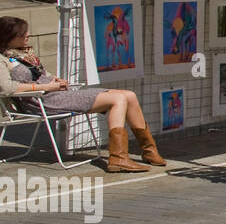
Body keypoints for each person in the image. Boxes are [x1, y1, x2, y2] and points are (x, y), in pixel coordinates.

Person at [0, 16, 165, 172]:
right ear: (9, 37)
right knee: (119, 99)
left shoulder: (24, 54)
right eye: (22, 34)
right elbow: (6, 88)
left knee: (129, 95)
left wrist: (54, 79)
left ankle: (149, 150)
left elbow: (41, 74)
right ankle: (118, 158)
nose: (27, 35)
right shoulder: (3, 59)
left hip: (55, 95)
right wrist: (47, 87)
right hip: (43, 102)